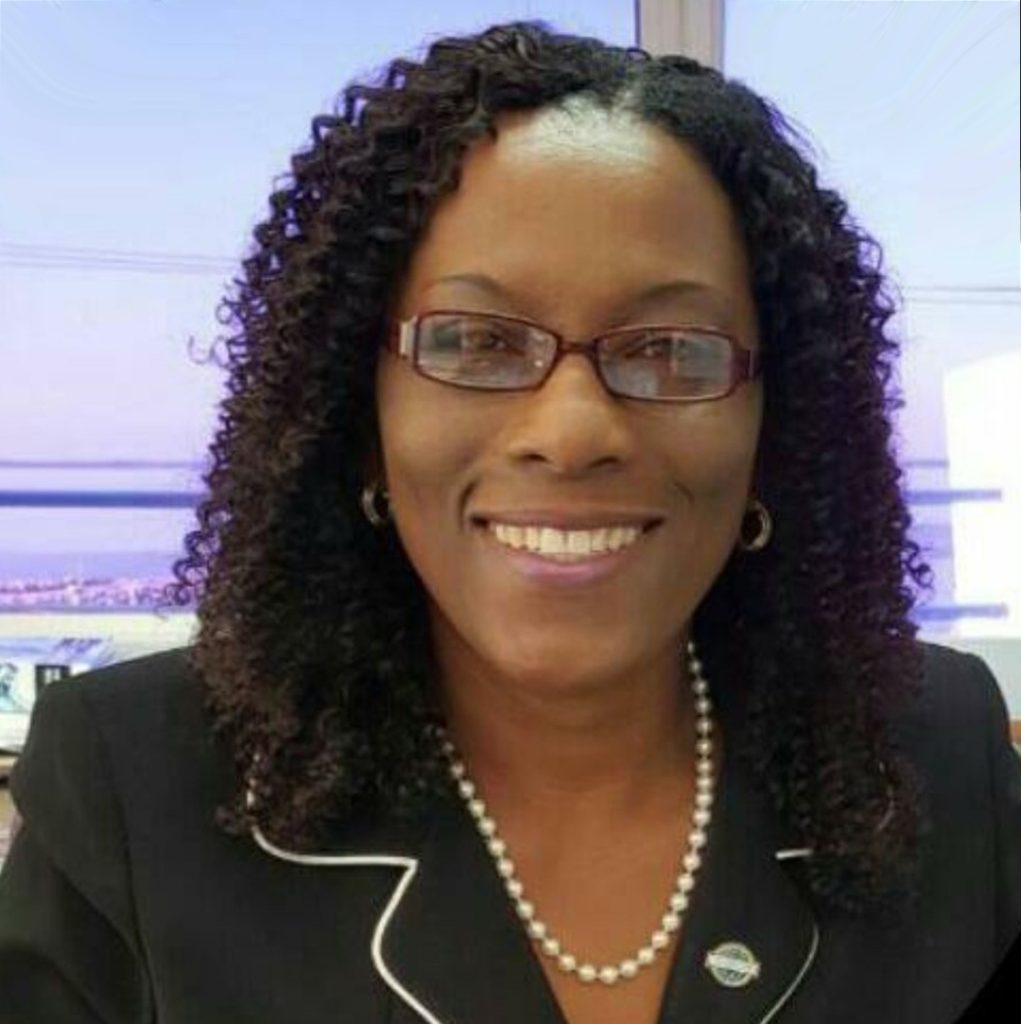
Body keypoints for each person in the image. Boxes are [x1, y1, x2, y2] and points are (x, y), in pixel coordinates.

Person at [0, 21, 1017, 1024]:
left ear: (772, 425)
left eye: (670, 349)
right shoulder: (127, 789)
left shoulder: (941, 756)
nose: (571, 434)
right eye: (476, 342)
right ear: (361, 418)